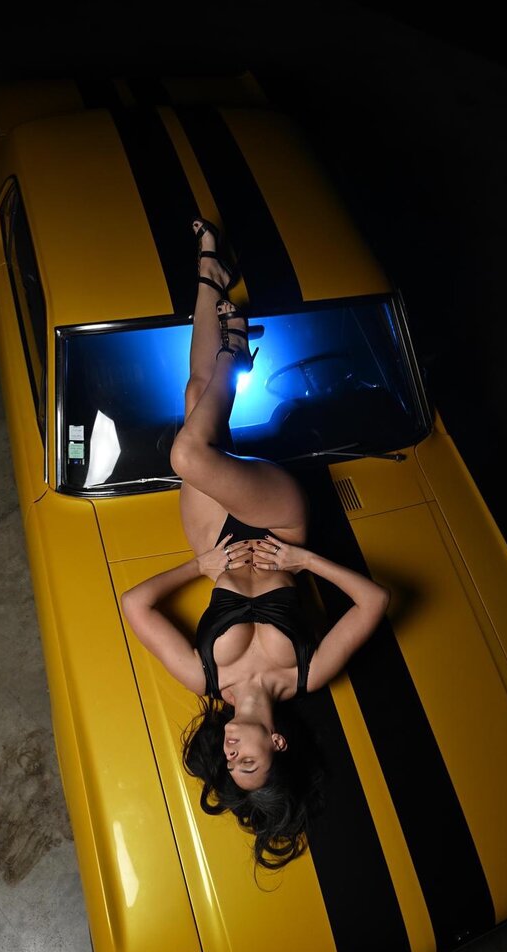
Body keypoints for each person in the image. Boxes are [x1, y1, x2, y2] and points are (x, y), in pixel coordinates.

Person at [121, 218, 390, 867]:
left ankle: (211, 274)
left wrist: (200, 566)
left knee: (195, 400)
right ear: (278, 745)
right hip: (279, 527)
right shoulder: (308, 673)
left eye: (230, 764)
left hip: (213, 541)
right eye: (250, 764)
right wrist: (304, 560)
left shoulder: (203, 677)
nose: (234, 756)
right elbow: (376, 602)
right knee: (188, 451)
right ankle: (233, 346)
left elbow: (134, 605)